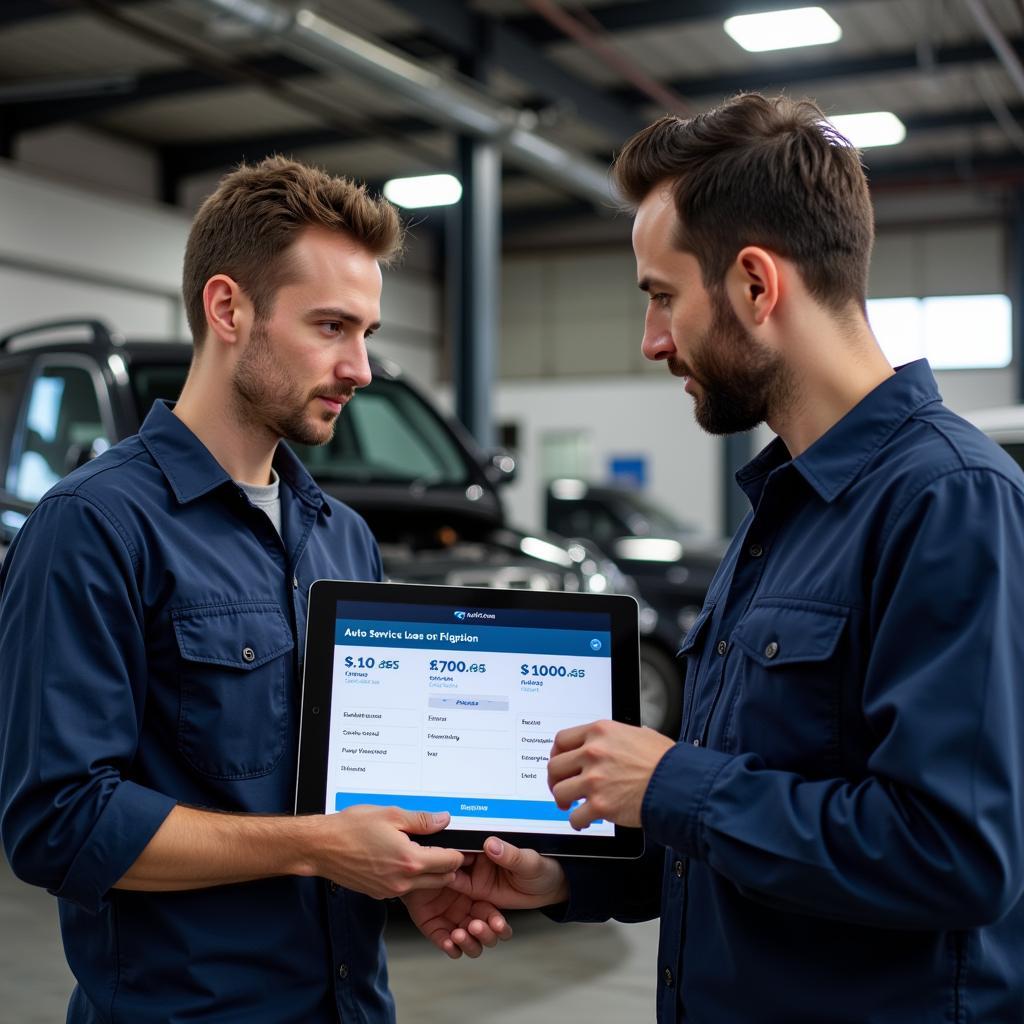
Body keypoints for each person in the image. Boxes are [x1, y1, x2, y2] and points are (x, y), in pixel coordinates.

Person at [438, 93, 1024, 1022]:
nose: (652, 340)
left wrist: (671, 782)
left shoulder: (947, 501)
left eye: (663, 297)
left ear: (756, 283)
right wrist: (562, 882)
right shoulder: (779, 508)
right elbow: (754, 829)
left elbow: (951, 855)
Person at [0, 156, 507, 1024]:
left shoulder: (341, 535)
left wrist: (405, 877)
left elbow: (356, 788)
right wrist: (318, 850)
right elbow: (60, 822)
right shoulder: (93, 526)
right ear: (228, 308)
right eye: (331, 327)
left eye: (368, 333)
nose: (361, 368)